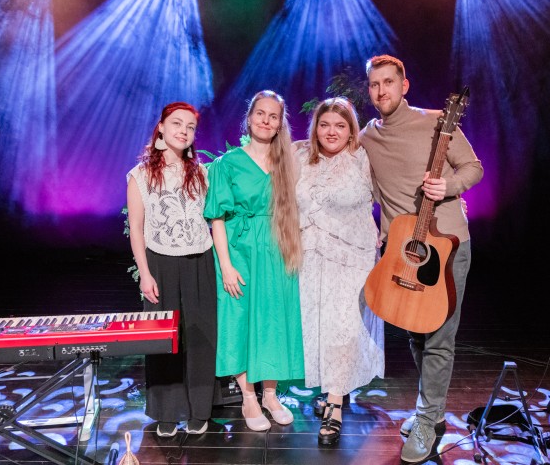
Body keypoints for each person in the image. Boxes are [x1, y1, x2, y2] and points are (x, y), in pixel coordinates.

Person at [359, 55, 484, 463]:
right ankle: (432, 409)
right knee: (415, 333)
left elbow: (474, 168)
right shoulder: (368, 136)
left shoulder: (437, 123)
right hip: (405, 250)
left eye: (388, 82)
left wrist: (449, 186)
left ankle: (428, 420)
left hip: (447, 248)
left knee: (440, 337)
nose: (381, 91)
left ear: (404, 85)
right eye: (375, 84)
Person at [204, 90, 304, 432]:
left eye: (273, 116)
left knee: (273, 320)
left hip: (276, 250)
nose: (266, 120)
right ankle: (248, 396)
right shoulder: (227, 164)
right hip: (240, 252)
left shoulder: (287, 163)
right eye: (260, 113)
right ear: (249, 118)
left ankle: (270, 395)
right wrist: (226, 265)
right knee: (240, 320)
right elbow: (217, 218)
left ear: (280, 123)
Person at [295, 97, 385, 446]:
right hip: (312, 257)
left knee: (344, 328)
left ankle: (333, 406)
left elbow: (394, 189)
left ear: (351, 130)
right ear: (315, 128)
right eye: (324, 125)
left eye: (340, 125)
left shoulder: (364, 157)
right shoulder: (301, 156)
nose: (331, 132)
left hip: (353, 257)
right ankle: (334, 389)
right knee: (321, 327)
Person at [126, 102, 217, 437]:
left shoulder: (202, 172)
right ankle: (166, 411)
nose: (184, 131)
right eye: (177, 123)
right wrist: (145, 273)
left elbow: (214, 219)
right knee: (163, 338)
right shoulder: (140, 175)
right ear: (161, 127)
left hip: (200, 261)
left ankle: (200, 409)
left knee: (200, 337)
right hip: (160, 263)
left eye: (190, 127)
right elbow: (137, 229)